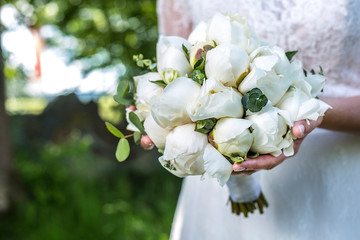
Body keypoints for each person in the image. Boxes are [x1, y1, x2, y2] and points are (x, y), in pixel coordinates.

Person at [157, 0, 360, 239]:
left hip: (337, 175)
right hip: (217, 182)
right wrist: (153, 110)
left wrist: (313, 112)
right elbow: (173, 70)